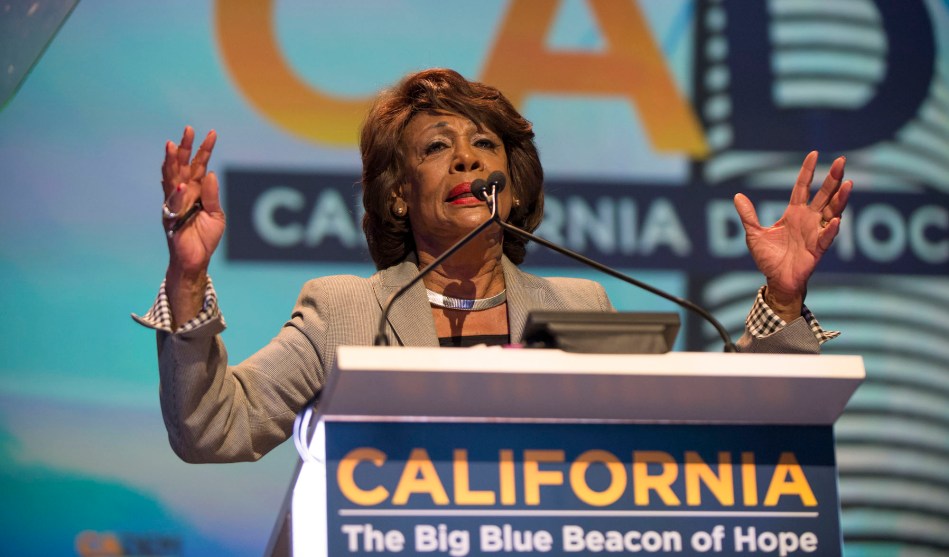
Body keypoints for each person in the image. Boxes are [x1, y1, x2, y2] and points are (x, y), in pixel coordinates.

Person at [135, 68, 852, 463]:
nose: (467, 160)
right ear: (398, 194)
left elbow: (707, 439)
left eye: (484, 146)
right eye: (436, 148)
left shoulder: (578, 306)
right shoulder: (345, 310)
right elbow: (211, 428)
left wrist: (781, 299)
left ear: (511, 183)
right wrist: (187, 278)